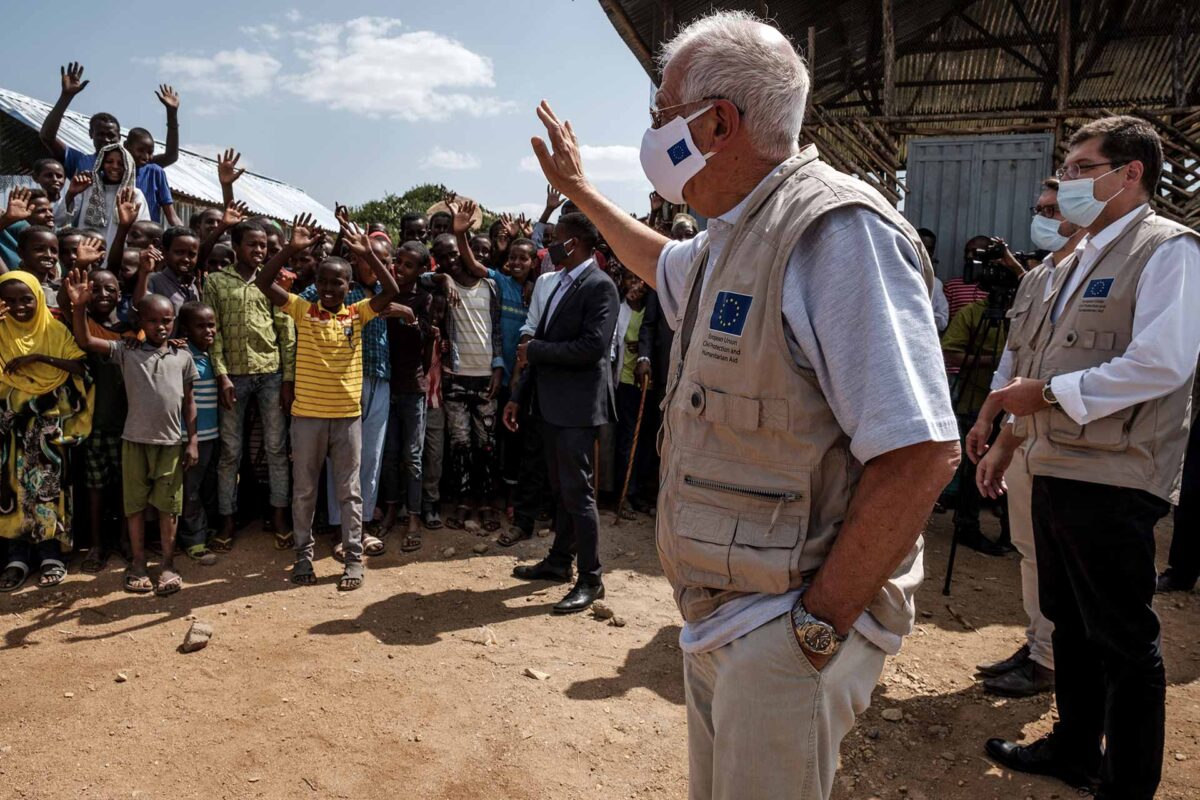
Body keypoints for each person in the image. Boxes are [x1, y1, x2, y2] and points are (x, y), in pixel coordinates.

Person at [528, 11, 960, 797]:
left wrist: (814, 628)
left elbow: (920, 451)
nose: (652, 133)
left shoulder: (835, 231)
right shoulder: (736, 233)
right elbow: (661, 263)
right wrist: (580, 193)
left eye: (661, 116)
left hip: (786, 620)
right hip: (727, 612)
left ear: (717, 123)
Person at [982, 116, 1200, 800]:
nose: (1069, 180)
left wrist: (1045, 393)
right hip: (1058, 464)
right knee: (1070, 624)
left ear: (1129, 173)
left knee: (1124, 640)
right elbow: (1040, 358)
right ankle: (1076, 749)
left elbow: (1162, 362)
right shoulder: (1075, 260)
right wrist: (1012, 433)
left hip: (1116, 472)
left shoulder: (1167, 250)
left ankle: (1127, 784)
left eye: (1081, 167)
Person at [964, 177, 1084, 698]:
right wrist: (988, 417)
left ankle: (1052, 659)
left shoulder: (1086, 278)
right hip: (1021, 433)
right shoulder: (1037, 280)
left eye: (1053, 208)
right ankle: (1039, 645)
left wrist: (1006, 428)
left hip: (1062, 437)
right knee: (1029, 549)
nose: (1043, 217)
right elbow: (1013, 359)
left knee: (1056, 557)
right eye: (1039, 208)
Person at [254, 215, 399, 591]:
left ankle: (353, 558)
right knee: (304, 490)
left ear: (349, 287)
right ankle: (303, 557)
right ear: (314, 284)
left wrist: (369, 254)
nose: (330, 288)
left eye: (338, 282)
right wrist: (289, 247)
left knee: (349, 490)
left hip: (347, 418)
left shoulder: (359, 311)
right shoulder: (303, 309)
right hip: (307, 419)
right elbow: (263, 282)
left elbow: (391, 289)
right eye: (323, 281)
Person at [503, 212, 619, 615]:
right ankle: (558, 562)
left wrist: (535, 351)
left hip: (576, 409)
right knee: (561, 489)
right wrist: (520, 394)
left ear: (576, 244)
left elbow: (591, 348)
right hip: (549, 405)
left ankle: (591, 578)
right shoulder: (556, 284)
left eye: (557, 239)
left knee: (578, 493)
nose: (550, 246)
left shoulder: (600, 287)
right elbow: (542, 341)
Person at [67, 273, 197, 596]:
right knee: (134, 507)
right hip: (134, 442)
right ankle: (137, 563)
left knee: (169, 508)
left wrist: (192, 439)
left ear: (174, 321)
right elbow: (85, 342)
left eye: (167, 321)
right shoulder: (127, 350)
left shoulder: (183, 355)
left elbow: (189, 402)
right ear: (140, 321)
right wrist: (80, 309)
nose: (161, 327)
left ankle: (167, 564)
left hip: (170, 444)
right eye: (152, 321)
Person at [297, 222, 391, 557]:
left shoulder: (379, 291)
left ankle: (360, 527)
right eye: (367, 259)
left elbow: (393, 290)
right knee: (341, 463)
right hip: (342, 387)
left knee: (370, 459)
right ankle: (339, 530)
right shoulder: (340, 293)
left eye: (379, 259)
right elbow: (311, 291)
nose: (373, 264)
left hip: (381, 379)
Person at [203, 218, 294, 551]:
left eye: (264, 246)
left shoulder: (272, 280)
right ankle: (227, 520)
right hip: (234, 376)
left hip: (270, 373)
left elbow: (285, 331)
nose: (259, 251)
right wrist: (222, 374)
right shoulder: (216, 282)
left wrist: (288, 379)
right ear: (236, 246)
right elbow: (214, 334)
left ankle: (280, 516)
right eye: (252, 245)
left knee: (275, 449)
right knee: (230, 452)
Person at [0, 272, 91, 592]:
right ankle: (17, 558)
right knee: (12, 494)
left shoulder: (54, 330)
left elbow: (81, 368)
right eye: (9, 300)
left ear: (39, 297)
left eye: (26, 299)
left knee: (48, 492)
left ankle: (51, 555)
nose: (18, 306)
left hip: (48, 431)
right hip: (8, 432)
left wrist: (38, 357)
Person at [430, 232, 505, 532]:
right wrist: (442, 279)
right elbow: (423, 276)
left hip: (486, 378)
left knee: (486, 444)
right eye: (443, 257)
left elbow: (497, 331)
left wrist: (499, 368)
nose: (450, 261)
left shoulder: (491, 286)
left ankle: (486, 502)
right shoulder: (440, 285)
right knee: (459, 444)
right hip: (455, 380)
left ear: (465, 253)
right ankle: (463, 501)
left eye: (454, 254)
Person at [71, 268, 135, 574]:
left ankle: (124, 541)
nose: (103, 295)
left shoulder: (129, 332)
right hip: (95, 423)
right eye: (95, 289)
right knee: (95, 489)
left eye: (110, 289)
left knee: (126, 488)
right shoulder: (85, 326)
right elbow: (82, 340)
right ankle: (96, 545)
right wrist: (78, 305)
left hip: (127, 424)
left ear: (120, 294)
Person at [39, 63, 180, 179]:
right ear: (90, 134)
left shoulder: (133, 163)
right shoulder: (80, 161)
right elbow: (47, 136)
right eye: (100, 134)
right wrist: (66, 97)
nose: (106, 140)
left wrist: (172, 113)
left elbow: (171, 156)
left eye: (111, 135)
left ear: (119, 138)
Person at [177, 301, 221, 567]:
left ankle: (207, 529)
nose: (208, 331)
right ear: (185, 329)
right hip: (191, 436)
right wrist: (190, 439)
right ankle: (193, 539)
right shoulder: (183, 356)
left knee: (208, 485)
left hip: (213, 434)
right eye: (200, 326)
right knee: (190, 490)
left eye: (211, 325)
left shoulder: (214, 354)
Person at [612, 271, 650, 512]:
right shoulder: (619, 309)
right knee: (626, 439)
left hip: (647, 385)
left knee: (644, 441)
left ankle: (638, 491)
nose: (634, 285)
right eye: (629, 279)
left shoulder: (651, 311)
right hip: (625, 381)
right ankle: (623, 493)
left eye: (639, 279)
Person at [66, 144, 150, 250]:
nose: (115, 166)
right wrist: (71, 194)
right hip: (86, 253)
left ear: (128, 166)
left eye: (121, 163)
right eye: (109, 162)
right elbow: (61, 219)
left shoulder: (134, 195)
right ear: (101, 163)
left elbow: (142, 232)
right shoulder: (88, 188)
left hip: (117, 257)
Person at [942, 235, 991, 322]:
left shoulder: (997, 287)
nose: (969, 256)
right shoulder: (951, 286)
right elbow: (944, 320)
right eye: (967, 251)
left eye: (974, 252)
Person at [917, 227, 950, 332]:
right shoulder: (895, 276)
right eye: (921, 248)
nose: (925, 254)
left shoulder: (936, 284)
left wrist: (922, 314)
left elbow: (943, 321)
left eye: (929, 250)